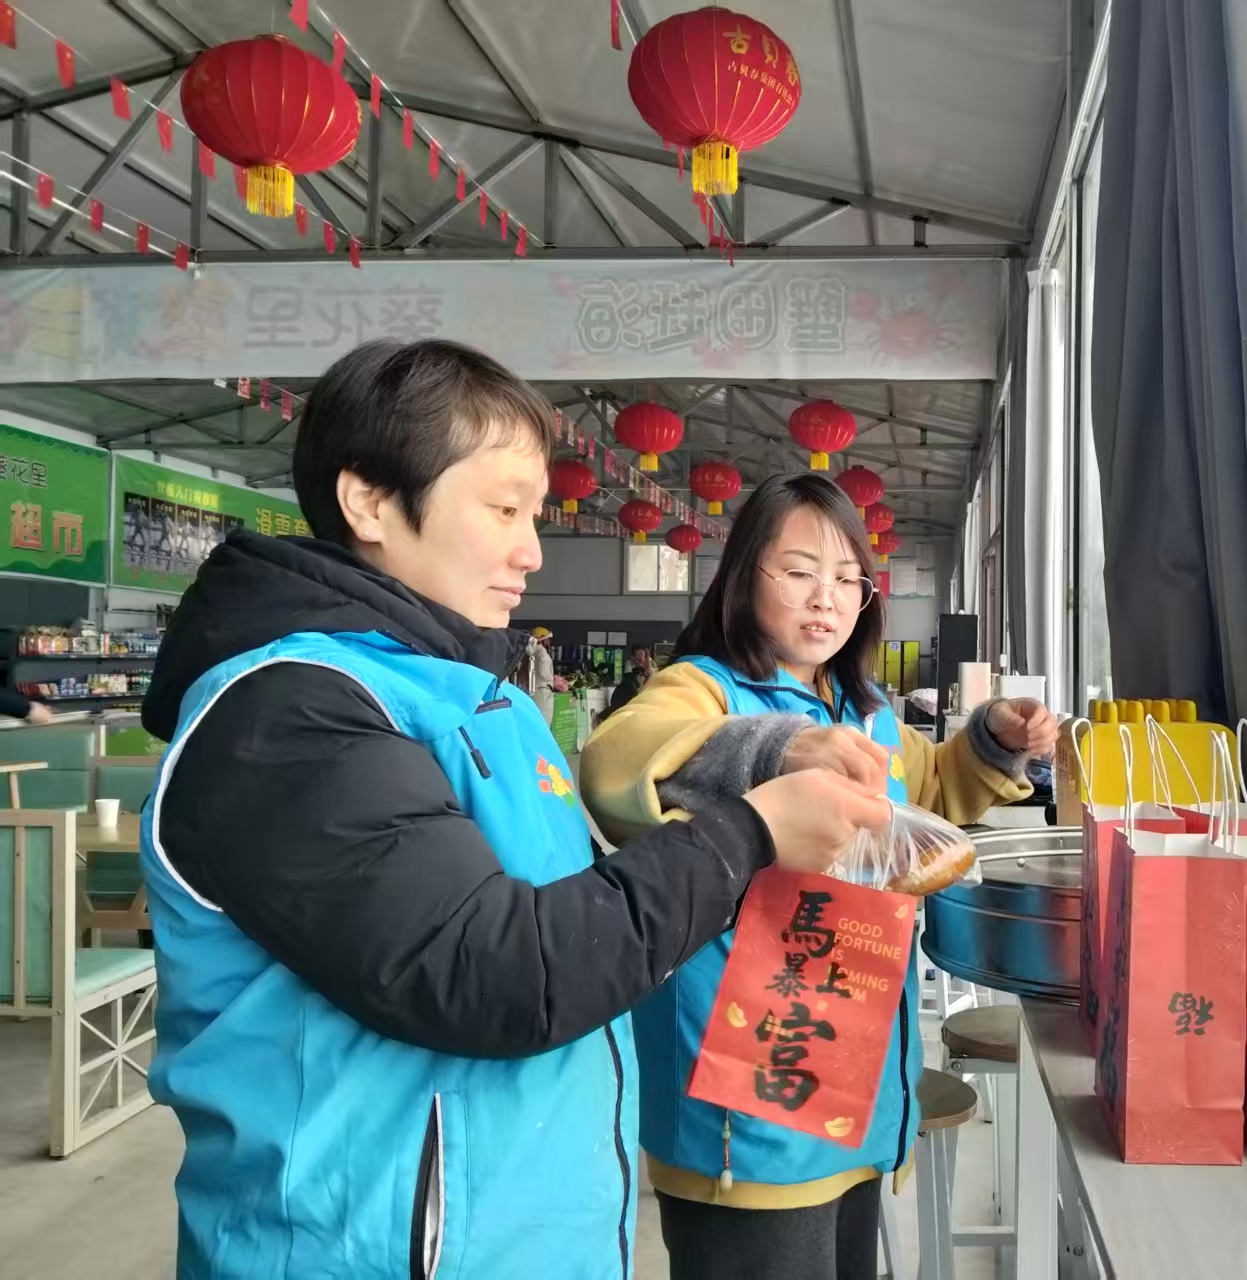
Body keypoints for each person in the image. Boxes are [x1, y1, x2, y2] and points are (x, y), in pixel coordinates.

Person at [136, 339, 891, 1279]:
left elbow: (573, 918)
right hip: (371, 1251)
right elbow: (503, 971)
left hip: (521, 1236)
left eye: (534, 513)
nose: (532, 550)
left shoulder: (483, 701)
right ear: (368, 501)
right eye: (503, 509)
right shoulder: (289, 713)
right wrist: (750, 834)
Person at [582, 473, 1059, 1280]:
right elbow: (616, 760)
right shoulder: (702, 688)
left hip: (849, 1070)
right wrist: (779, 750)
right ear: (743, 578)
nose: (825, 598)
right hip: (749, 1093)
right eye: (800, 572)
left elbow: (927, 785)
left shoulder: (859, 707)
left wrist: (996, 742)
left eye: (846, 579)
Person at [521, 625, 556, 721]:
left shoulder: (530, 653)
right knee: (544, 721)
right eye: (548, 639)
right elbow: (543, 673)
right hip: (543, 693)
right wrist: (553, 678)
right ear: (544, 640)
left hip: (532, 691)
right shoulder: (542, 654)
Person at [608, 645, 653, 712]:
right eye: (639, 656)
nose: (641, 658)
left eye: (642, 655)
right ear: (633, 657)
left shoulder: (649, 666)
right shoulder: (630, 666)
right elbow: (630, 678)